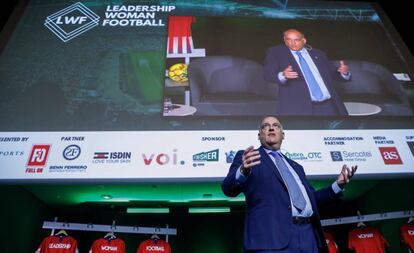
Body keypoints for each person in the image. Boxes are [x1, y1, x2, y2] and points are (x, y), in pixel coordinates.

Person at [222, 116, 357, 253]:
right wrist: (243, 171)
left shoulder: (296, 167)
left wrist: (337, 185)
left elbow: (311, 200)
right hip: (272, 241)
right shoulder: (250, 158)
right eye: (265, 126)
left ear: (283, 135)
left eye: (276, 125)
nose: (271, 127)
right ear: (259, 135)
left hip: (308, 237)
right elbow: (228, 188)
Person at [263, 29, 351, 116]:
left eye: (296, 40)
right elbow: (268, 75)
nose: (292, 43)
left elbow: (334, 74)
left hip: (328, 107)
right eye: (288, 40)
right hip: (298, 108)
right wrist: (283, 75)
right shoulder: (275, 53)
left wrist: (344, 72)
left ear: (304, 40)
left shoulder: (318, 54)